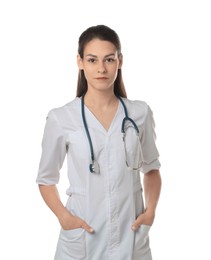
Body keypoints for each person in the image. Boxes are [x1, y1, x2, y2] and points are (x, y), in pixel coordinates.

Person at [36, 24, 162, 260]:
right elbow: (46, 179)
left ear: (120, 61)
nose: (101, 68)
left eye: (109, 59)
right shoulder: (61, 118)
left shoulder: (139, 113)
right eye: (92, 60)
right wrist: (65, 218)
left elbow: (152, 169)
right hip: (82, 238)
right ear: (80, 62)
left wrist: (150, 212)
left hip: (131, 237)